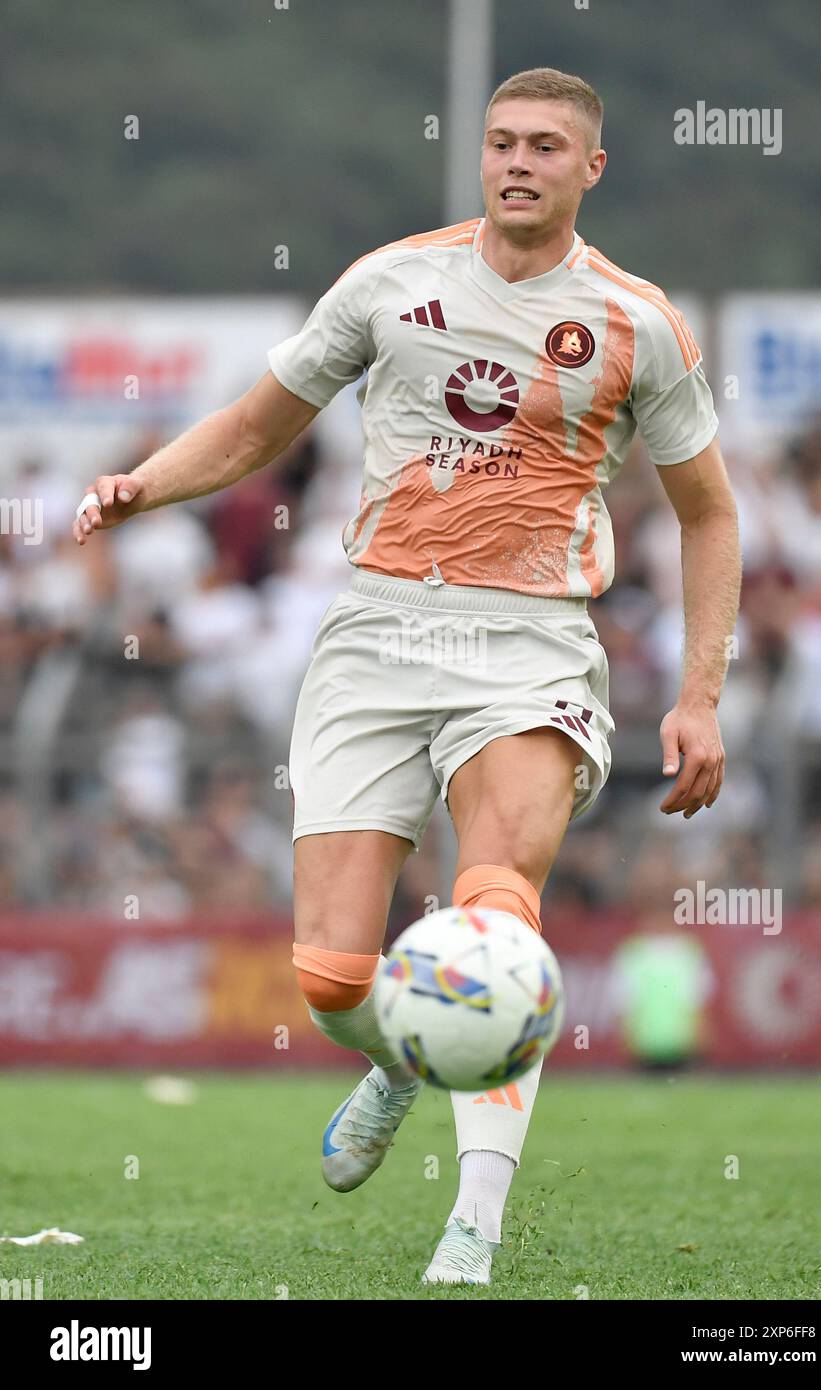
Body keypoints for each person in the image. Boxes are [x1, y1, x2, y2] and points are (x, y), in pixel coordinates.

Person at [72, 67, 741, 1286]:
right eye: (499, 142)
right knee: (331, 977)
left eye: (545, 145)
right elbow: (254, 427)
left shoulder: (637, 321)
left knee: (494, 910)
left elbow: (708, 513)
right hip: (376, 630)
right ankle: (399, 1053)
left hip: (530, 636)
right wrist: (141, 484)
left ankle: (470, 1232)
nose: (517, 161)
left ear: (591, 169)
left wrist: (696, 693)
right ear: (476, 155)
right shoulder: (389, 282)